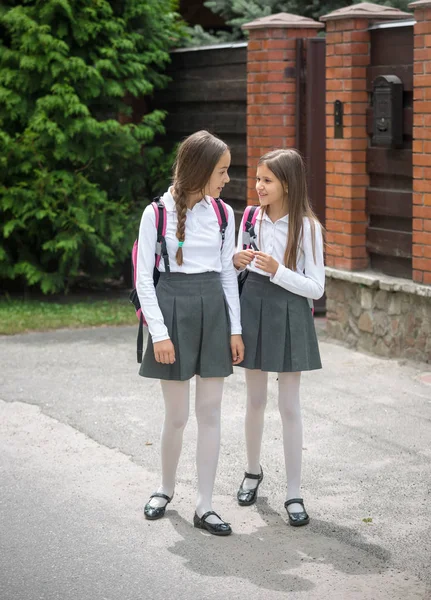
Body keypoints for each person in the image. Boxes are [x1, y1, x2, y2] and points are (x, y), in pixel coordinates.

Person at [136, 130, 244, 536]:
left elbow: (228, 276)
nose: (227, 179)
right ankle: (164, 489)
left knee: (211, 413)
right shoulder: (156, 214)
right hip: (173, 313)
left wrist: (235, 329)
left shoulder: (222, 214)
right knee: (178, 416)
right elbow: (145, 280)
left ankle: (205, 505)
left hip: (213, 311)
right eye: (222, 171)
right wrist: (159, 334)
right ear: (201, 171)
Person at [233, 149, 324, 527]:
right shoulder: (250, 217)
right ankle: (252, 472)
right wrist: (236, 259)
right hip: (252, 308)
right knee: (255, 401)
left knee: (289, 407)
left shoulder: (308, 227)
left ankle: (293, 492)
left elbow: (316, 288)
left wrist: (278, 271)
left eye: (266, 180)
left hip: (290, 313)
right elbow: (234, 262)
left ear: (286, 184)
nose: (258, 186)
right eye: (257, 179)